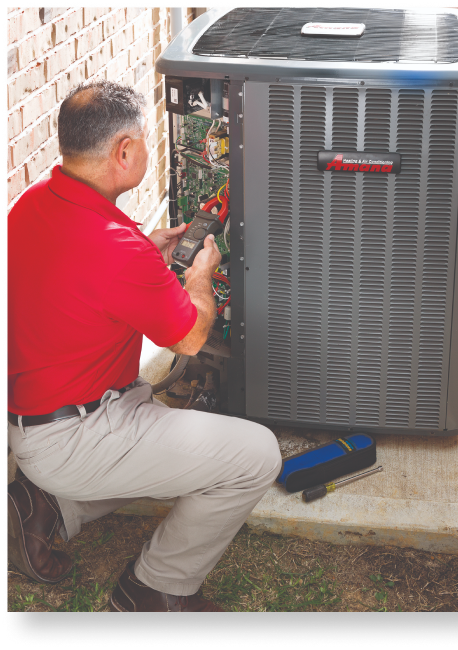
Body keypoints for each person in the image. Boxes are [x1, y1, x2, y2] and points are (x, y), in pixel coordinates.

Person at [6, 80, 282, 613]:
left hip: (37, 421)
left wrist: (146, 251)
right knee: (254, 456)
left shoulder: (32, 204)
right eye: (147, 142)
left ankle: (45, 504)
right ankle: (156, 589)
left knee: (168, 453)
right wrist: (200, 274)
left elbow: (79, 278)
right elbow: (189, 334)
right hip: (77, 435)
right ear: (124, 152)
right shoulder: (118, 251)